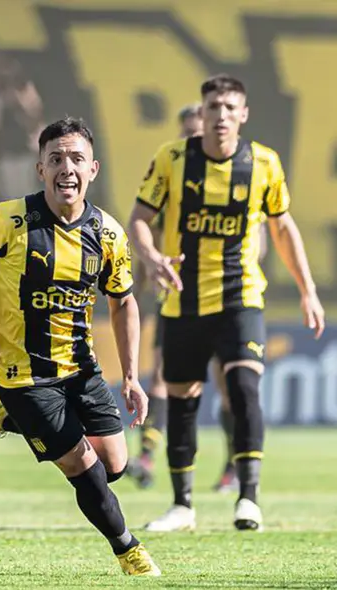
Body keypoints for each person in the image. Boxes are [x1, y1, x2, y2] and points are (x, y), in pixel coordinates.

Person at [0, 117, 160, 576]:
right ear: (40, 168)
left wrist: (133, 377)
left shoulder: (107, 234)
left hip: (81, 368)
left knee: (114, 464)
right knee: (85, 468)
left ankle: (4, 416)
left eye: (77, 159)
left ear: (93, 169)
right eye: (56, 159)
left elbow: (123, 303)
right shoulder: (9, 220)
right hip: (21, 373)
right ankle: (129, 551)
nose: (67, 168)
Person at [128, 74, 325, 533]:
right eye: (213, 106)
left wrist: (307, 289)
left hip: (241, 296)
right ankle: (182, 505)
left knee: (244, 389)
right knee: (181, 398)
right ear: (203, 111)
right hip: (183, 298)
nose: (220, 116)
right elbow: (140, 217)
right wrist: (152, 256)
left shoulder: (263, 164)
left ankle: (248, 498)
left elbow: (282, 228)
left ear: (243, 114)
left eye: (229, 107)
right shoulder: (172, 159)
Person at [127, 102, 263, 494]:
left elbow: (261, 239)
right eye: (186, 131)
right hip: (176, 296)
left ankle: (233, 464)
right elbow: (144, 231)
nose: (192, 138)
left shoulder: (235, 180)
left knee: (228, 384)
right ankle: (149, 456)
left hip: (226, 297)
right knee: (162, 375)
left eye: (197, 130)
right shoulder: (170, 177)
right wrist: (143, 277)